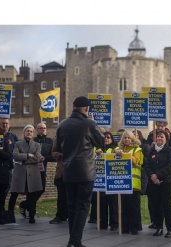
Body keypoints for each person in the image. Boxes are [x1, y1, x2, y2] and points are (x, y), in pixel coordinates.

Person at [56, 96, 104, 247]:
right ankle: (75, 241)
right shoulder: (89, 124)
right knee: (83, 206)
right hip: (85, 171)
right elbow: (101, 142)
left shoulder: (62, 125)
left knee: (71, 206)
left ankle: (73, 240)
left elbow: (58, 147)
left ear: (73, 106)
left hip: (68, 171)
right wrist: (94, 123)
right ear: (87, 108)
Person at [143, 130, 171, 238]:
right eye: (158, 137)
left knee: (166, 205)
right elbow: (146, 165)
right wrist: (152, 176)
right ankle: (159, 227)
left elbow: (170, 166)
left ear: (166, 139)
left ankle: (170, 228)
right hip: (154, 182)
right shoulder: (152, 150)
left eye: (162, 137)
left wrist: (157, 175)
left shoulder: (170, 151)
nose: (160, 138)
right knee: (156, 205)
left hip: (166, 182)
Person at [7, 125, 43, 224]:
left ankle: (32, 216)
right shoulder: (18, 144)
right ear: (24, 132)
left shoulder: (37, 145)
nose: (29, 133)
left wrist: (23, 158)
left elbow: (37, 158)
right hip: (20, 173)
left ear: (33, 134)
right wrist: (28, 155)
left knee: (32, 195)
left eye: (31, 131)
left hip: (33, 173)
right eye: (27, 131)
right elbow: (15, 155)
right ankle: (10, 214)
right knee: (14, 194)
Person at [20, 122, 54, 219]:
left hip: (43, 168)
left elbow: (52, 156)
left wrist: (45, 158)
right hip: (32, 169)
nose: (43, 129)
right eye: (40, 128)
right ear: (37, 130)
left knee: (41, 189)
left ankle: (25, 204)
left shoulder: (49, 141)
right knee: (31, 191)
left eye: (44, 128)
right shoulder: (33, 140)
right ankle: (31, 213)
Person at [114, 130, 144, 235]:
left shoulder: (137, 149)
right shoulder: (117, 149)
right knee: (123, 206)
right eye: (125, 138)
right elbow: (110, 158)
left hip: (133, 183)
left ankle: (134, 227)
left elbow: (136, 160)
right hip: (122, 182)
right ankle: (124, 226)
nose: (127, 139)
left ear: (132, 139)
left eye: (129, 138)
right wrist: (116, 153)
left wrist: (124, 155)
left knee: (133, 207)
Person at [93, 131, 119, 230]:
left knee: (113, 204)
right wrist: (96, 154)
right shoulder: (97, 148)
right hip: (100, 180)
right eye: (104, 137)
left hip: (111, 179)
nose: (106, 139)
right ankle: (102, 223)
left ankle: (114, 224)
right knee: (101, 204)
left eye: (108, 137)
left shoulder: (115, 149)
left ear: (112, 139)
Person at [49, 137, 68, 224]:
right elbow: (53, 153)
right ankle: (60, 215)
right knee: (61, 196)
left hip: (74, 171)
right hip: (61, 171)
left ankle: (70, 215)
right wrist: (59, 154)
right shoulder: (58, 139)